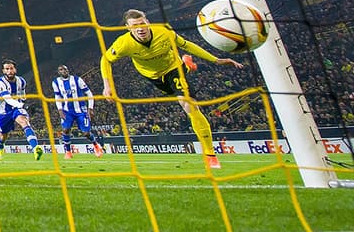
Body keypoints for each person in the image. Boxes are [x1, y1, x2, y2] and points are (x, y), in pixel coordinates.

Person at [100, 9, 243, 169]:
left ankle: (210, 154)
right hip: (152, 76)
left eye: (142, 24)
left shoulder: (164, 32)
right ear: (128, 27)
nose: (140, 28)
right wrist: (107, 85)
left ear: (147, 22)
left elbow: (186, 44)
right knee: (177, 90)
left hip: (172, 68)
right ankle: (188, 65)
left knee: (189, 105)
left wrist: (215, 60)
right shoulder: (123, 43)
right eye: (135, 26)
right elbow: (106, 60)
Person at [0, 59, 43, 160]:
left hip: (17, 108)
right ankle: (0, 147)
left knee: (24, 122)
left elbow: (22, 96)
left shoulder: (21, 81)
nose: (9, 71)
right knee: (3, 136)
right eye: (7, 69)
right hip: (3, 112)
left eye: (11, 68)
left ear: (15, 69)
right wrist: (22, 105)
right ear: (3, 71)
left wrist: (24, 104)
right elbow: (7, 99)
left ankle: (35, 148)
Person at [52, 64, 104, 159]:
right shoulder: (56, 82)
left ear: (68, 70)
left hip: (81, 110)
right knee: (65, 130)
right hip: (67, 111)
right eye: (61, 70)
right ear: (59, 72)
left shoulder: (77, 79)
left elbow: (89, 93)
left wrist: (90, 108)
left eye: (65, 69)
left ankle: (96, 146)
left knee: (86, 133)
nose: (64, 71)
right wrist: (59, 109)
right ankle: (68, 152)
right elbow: (57, 96)